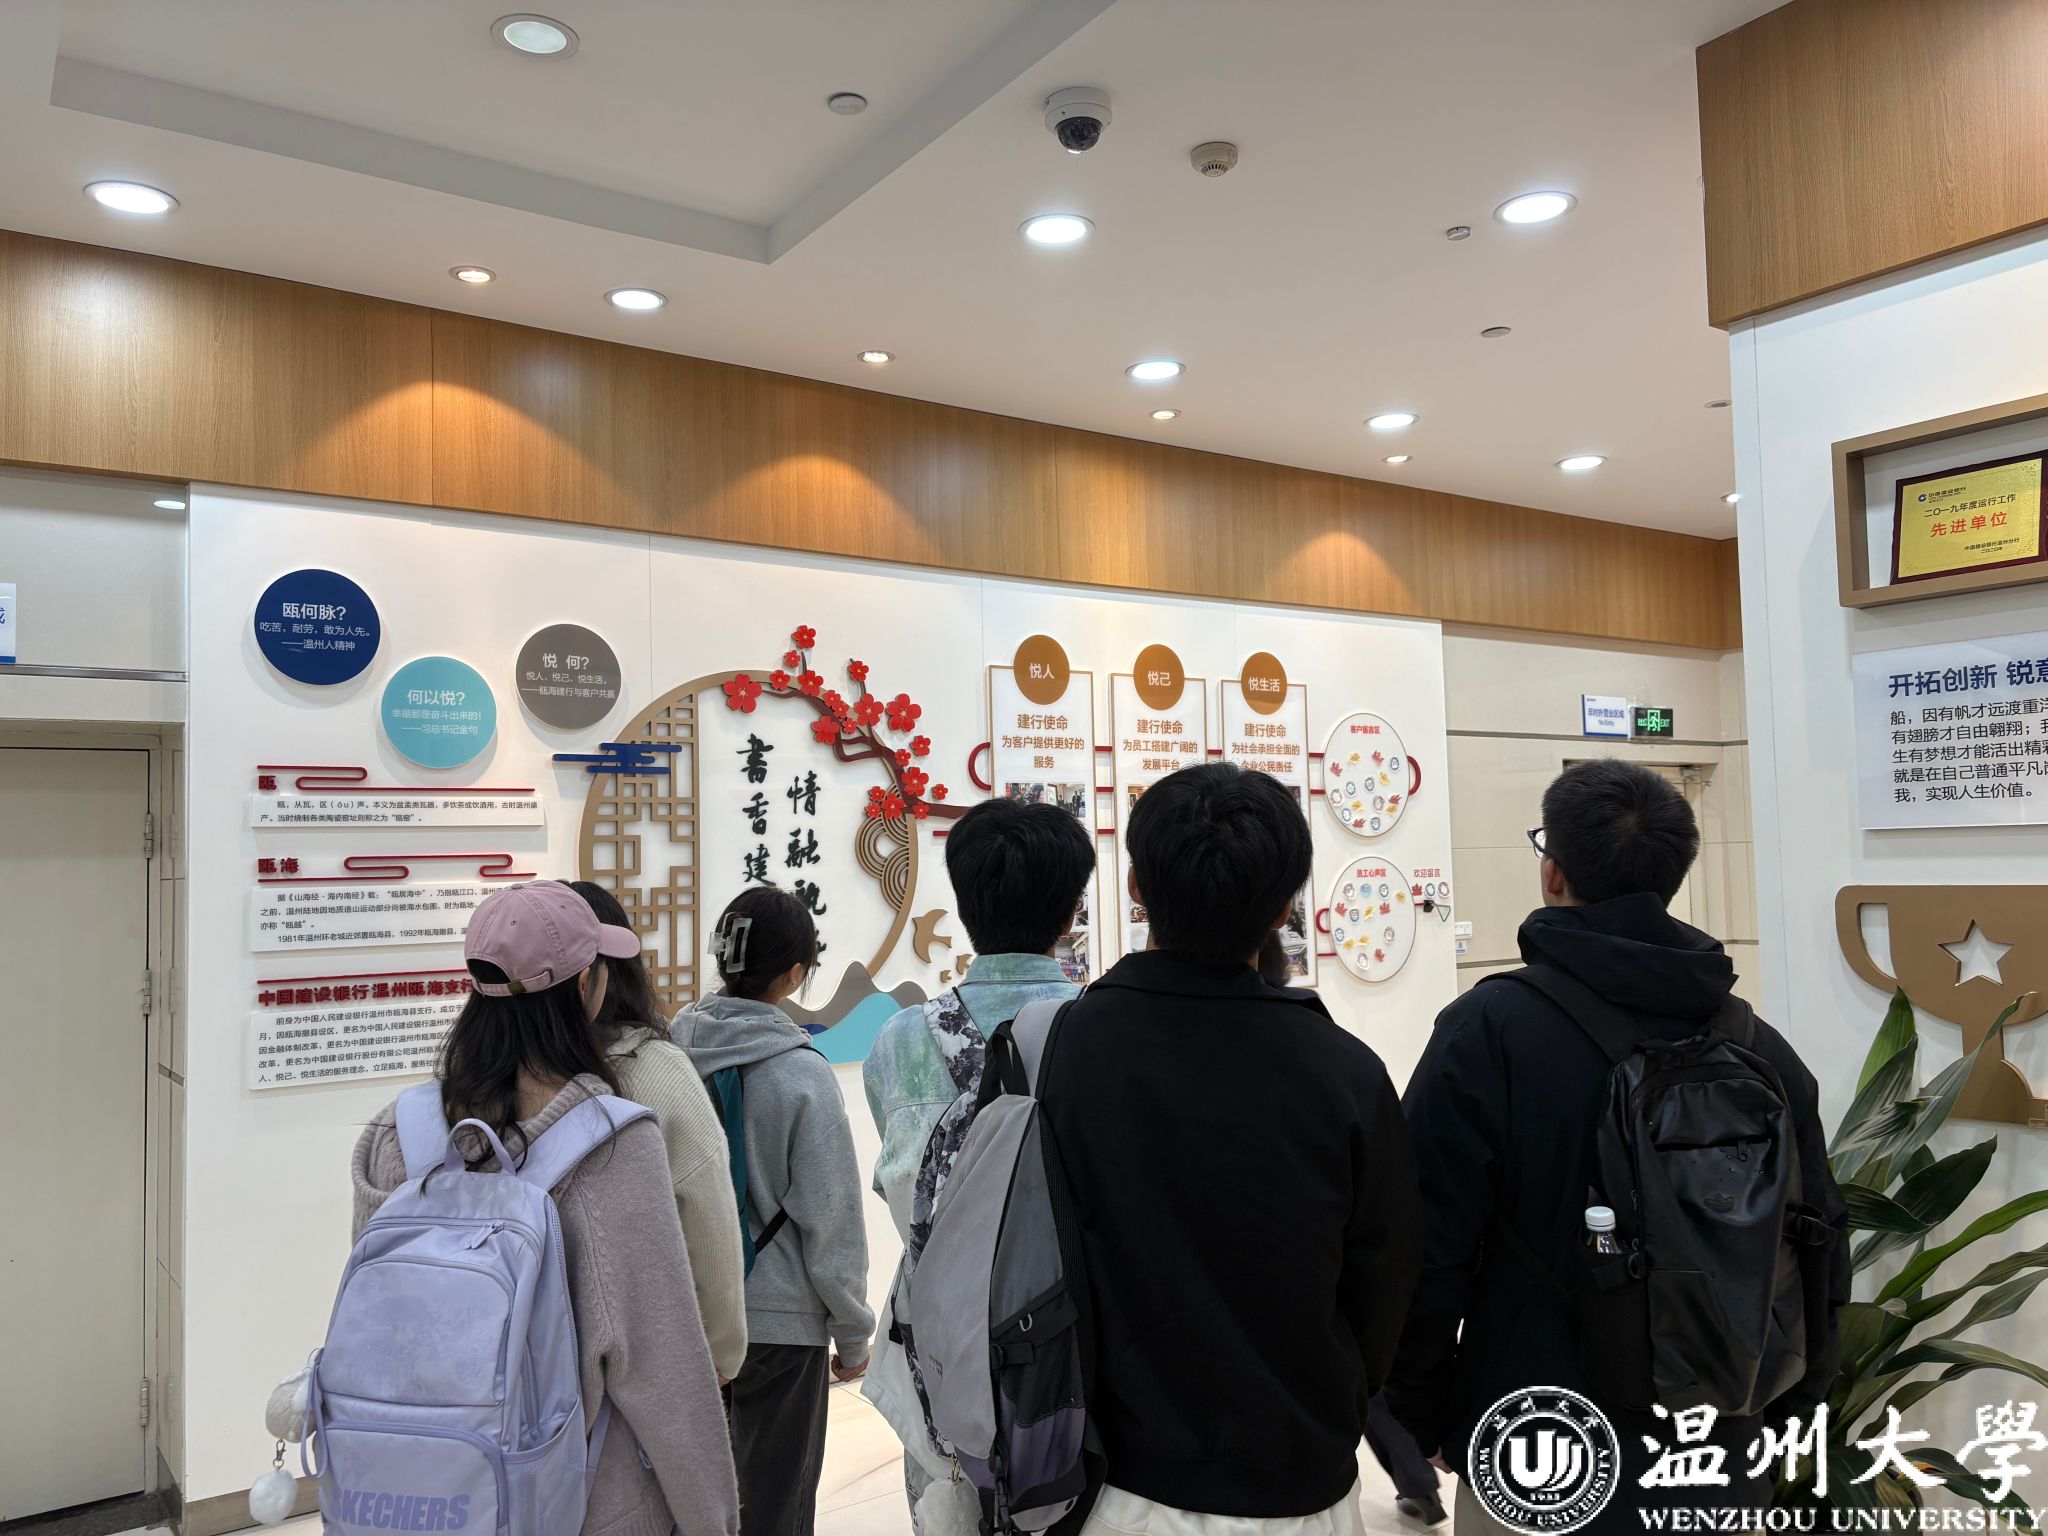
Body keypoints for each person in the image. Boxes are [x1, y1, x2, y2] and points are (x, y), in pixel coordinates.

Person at [1387, 759, 1848, 1533]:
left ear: (1553, 872)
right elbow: (1819, 1237)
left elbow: (1422, 1248)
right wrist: (1786, 1410)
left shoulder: (1489, 1032)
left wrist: (1423, 1412)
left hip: (1539, 1444)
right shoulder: (1755, 1045)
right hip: (1719, 1442)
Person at [1042, 762, 1422, 1536]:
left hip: (1118, 1481)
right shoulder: (1347, 1072)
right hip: (1300, 1480)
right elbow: (1384, 1283)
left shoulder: (1066, 1049)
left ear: (1136, 889)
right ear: (1284, 908)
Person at [351, 879, 738, 1536]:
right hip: (576, 1501)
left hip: (419, 1490)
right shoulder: (612, 1143)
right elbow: (662, 1371)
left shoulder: (398, 1131)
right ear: (587, 986)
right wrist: (715, 1521)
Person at [862, 797, 1097, 1534]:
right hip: (1073, 1360)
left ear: (965, 906)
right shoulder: (1102, 1030)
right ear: (1072, 911)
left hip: (939, 1353)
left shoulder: (900, 1042)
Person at [672, 887, 874, 1536]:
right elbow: (831, 1217)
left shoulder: (668, 1058)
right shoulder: (802, 1074)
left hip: (688, 1314)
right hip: (781, 1327)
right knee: (776, 1507)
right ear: (794, 973)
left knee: (692, 1503)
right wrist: (853, 1331)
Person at [1254, 935, 1444, 1529]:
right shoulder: (1336, 1057)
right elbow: (1390, 1245)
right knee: (1358, 1372)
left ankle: (1415, 1475)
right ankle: (1416, 1476)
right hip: (1325, 1275)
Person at [569, 880, 748, 1384]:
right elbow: (709, 1221)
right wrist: (722, 1350)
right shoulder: (653, 1068)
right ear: (595, 977)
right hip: (632, 1358)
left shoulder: (464, 1085)